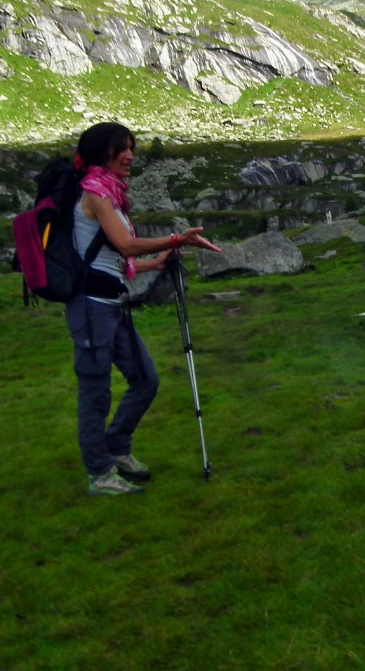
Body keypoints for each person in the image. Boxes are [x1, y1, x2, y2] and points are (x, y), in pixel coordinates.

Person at [66, 122, 221, 497]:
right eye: (122, 148)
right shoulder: (94, 193)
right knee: (96, 392)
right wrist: (174, 238)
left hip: (113, 305)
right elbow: (125, 245)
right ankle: (100, 474)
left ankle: (116, 446)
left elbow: (116, 257)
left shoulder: (111, 194)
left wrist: (159, 261)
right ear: (103, 151)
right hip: (91, 309)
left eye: (132, 148)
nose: (130, 155)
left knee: (146, 379)